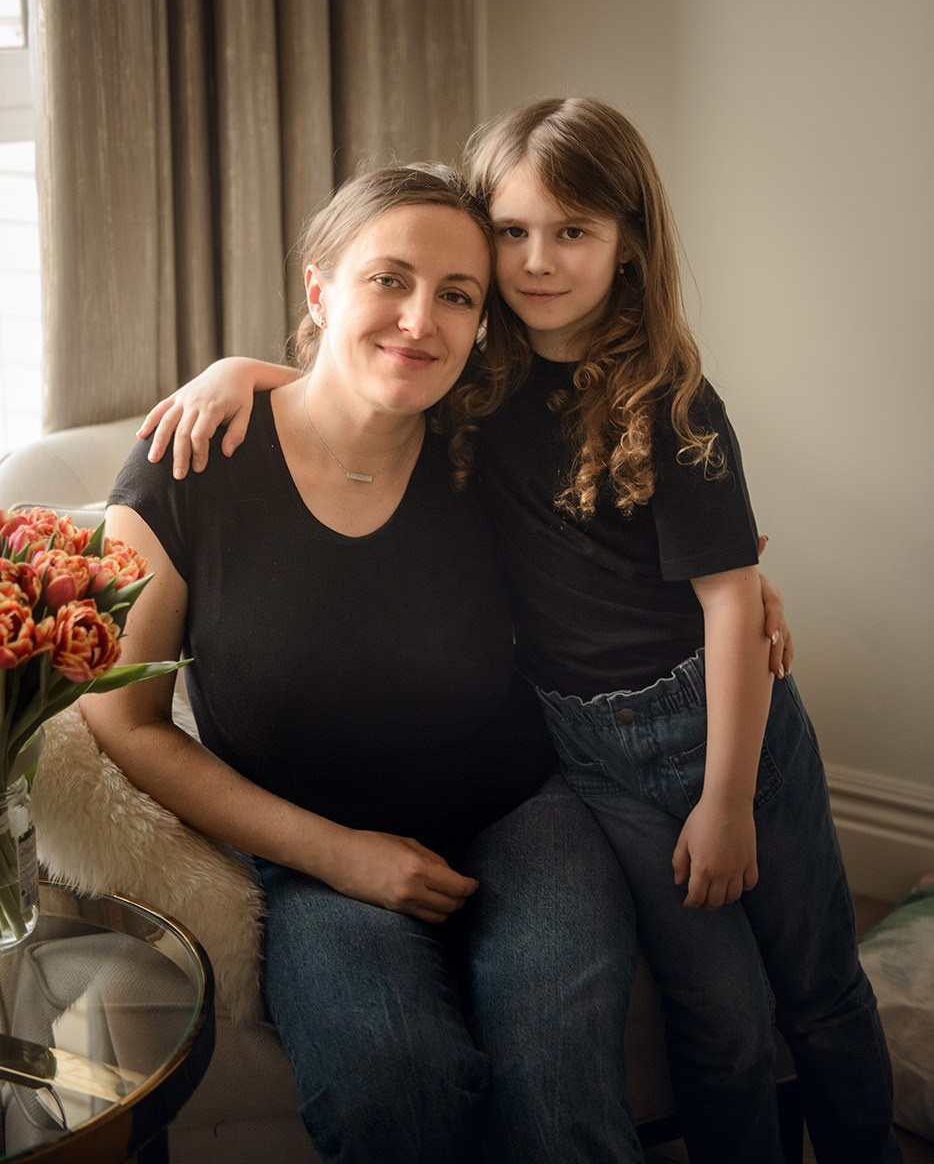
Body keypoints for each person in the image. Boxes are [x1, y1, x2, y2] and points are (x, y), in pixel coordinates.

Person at [139, 101, 900, 1164]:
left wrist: (732, 650)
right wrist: (237, 371)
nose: (534, 261)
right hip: (573, 762)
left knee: (788, 990)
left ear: (627, 245)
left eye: (572, 231)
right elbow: (352, 380)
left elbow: (717, 587)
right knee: (704, 1014)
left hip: (649, 746)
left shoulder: (592, 399)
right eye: (511, 232)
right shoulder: (461, 393)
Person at [80, 164, 647, 1164]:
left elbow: (636, 551)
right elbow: (125, 719)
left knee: (561, 1092)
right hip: (312, 844)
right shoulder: (189, 463)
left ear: (481, 324)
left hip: (518, 811)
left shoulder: (489, 450)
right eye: (387, 278)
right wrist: (339, 855)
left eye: (457, 295)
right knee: (395, 1083)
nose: (420, 318)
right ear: (318, 291)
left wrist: (737, 589)